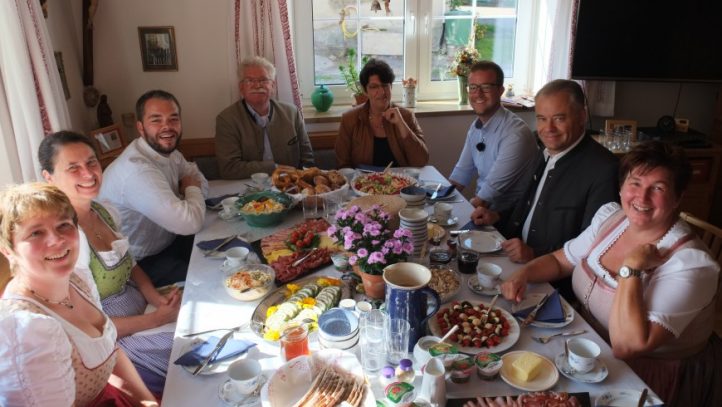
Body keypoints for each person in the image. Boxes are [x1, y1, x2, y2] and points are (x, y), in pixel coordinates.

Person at [501, 141, 721, 406]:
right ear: (621, 186)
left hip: (644, 378)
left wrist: (632, 268)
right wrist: (523, 274)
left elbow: (627, 345)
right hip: (581, 347)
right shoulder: (611, 218)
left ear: (678, 197)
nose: (642, 197)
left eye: (658, 188)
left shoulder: (691, 264)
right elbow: (561, 261)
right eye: (635, 183)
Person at [40, 131, 180, 395]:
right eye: (73, 168)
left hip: (144, 309)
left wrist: (156, 298)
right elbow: (89, 326)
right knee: (193, 340)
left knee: (196, 300)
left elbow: (132, 265)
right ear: (49, 177)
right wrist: (156, 319)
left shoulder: (103, 211)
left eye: (92, 162)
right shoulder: (65, 240)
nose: (88, 174)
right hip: (117, 339)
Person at [0, 183, 158, 407]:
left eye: (64, 225)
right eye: (36, 232)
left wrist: (147, 402)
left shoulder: (77, 280)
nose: (56, 240)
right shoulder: (27, 330)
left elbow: (111, 351)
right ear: (9, 251)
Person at [470, 80, 619, 299]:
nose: (548, 129)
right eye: (541, 118)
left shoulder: (603, 169)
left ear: (581, 117)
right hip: (515, 263)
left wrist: (533, 254)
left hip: (554, 287)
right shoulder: (547, 150)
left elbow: (593, 245)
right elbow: (529, 203)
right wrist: (497, 216)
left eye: (559, 118)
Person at [100, 89, 208, 286]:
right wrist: (190, 189)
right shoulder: (137, 170)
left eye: (173, 119)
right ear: (141, 127)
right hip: (140, 264)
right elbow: (191, 222)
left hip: (171, 241)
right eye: (156, 120)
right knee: (212, 277)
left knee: (232, 246)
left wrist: (191, 190)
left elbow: (200, 181)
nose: (167, 127)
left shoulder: (169, 152)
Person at [449, 60, 536, 212]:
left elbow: (487, 195)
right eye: (473, 87)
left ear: (501, 90)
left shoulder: (516, 134)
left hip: (507, 219)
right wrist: (437, 199)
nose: (478, 94)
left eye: (486, 87)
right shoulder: (476, 127)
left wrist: (451, 214)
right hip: (483, 209)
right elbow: (461, 174)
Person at [215, 56, 315, 179]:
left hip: (291, 185)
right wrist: (273, 168)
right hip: (248, 187)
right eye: (250, 80)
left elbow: (307, 159)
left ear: (272, 86)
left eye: (263, 80)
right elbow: (229, 168)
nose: (257, 85)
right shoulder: (227, 120)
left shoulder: (292, 113)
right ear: (241, 87)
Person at [335, 58, 429, 169]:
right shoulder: (349, 119)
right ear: (365, 91)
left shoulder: (406, 116)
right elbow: (343, 165)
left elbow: (421, 161)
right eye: (374, 87)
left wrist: (401, 124)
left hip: (400, 183)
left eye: (385, 85)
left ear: (391, 87)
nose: (382, 92)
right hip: (363, 183)